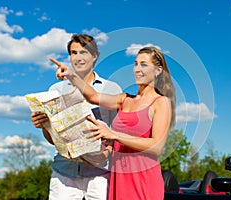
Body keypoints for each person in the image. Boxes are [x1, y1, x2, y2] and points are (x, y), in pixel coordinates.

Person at [51, 46, 175, 200]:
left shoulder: (161, 102)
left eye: (144, 64)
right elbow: (93, 96)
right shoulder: (124, 99)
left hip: (143, 177)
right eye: (135, 64)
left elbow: (156, 146)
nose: (137, 69)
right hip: (119, 176)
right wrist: (71, 75)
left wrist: (114, 134)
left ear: (158, 70)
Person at [31, 34, 122, 200]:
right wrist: (43, 125)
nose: (78, 58)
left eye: (83, 52)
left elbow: (118, 132)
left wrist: (106, 154)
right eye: (74, 53)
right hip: (64, 170)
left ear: (95, 56)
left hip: (100, 172)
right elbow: (53, 138)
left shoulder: (112, 88)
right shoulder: (55, 90)